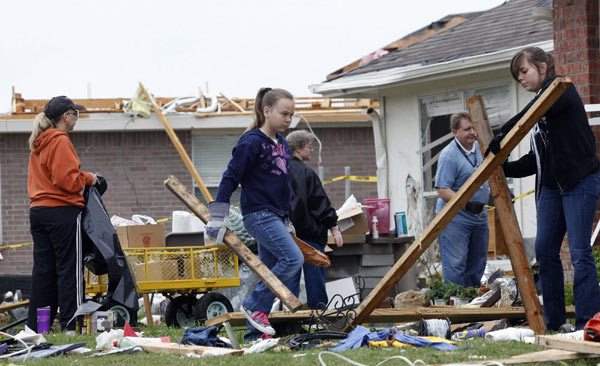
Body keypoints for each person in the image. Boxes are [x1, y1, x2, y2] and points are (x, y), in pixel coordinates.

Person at [487, 46, 600, 330]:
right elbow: (534, 159)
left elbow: (525, 117)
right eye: (517, 76)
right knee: (545, 250)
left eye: (524, 71)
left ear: (543, 67)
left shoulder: (559, 90)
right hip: (552, 187)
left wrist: (500, 135)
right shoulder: (540, 115)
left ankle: (588, 323)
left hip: (580, 181)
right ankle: (553, 321)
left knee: (579, 253)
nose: (521, 79)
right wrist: (504, 167)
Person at [206, 87, 303, 338]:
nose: (288, 120)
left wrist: (287, 219)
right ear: (266, 111)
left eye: (291, 115)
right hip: (259, 215)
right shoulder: (250, 142)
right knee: (293, 259)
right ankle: (253, 306)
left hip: (277, 216)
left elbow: (282, 185)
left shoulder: (282, 143)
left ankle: (253, 333)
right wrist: (217, 216)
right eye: (284, 114)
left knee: (268, 275)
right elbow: (230, 178)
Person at [27, 96, 98, 331]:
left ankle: (38, 327)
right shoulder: (60, 140)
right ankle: (71, 323)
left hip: (38, 211)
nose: (77, 118)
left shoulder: (39, 142)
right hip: (62, 212)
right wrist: (90, 178)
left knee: (43, 272)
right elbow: (67, 181)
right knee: (69, 269)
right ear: (65, 116)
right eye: (75, 114)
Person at [286, 130, 343, 310]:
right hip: (310, 236)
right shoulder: (307, 173)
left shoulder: (278, 171)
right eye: (309, 147)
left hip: (286, 235)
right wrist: (333, 226)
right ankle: (319, 319)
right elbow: (319, 203)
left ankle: (288, 319)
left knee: (289, 280)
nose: (311, 151)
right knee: (315, 280)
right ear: (298, 148)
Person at [435, 112, 490, 288]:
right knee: (456, 266)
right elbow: (442, 190)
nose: (472, 132)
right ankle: (455, 309)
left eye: (473, 127)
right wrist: (466, 204)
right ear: (455, 132)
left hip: (479, 218)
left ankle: (471, 306)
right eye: (467, 129)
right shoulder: (449, 155)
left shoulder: (481, 149)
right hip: (456, 219)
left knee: (477, 264)